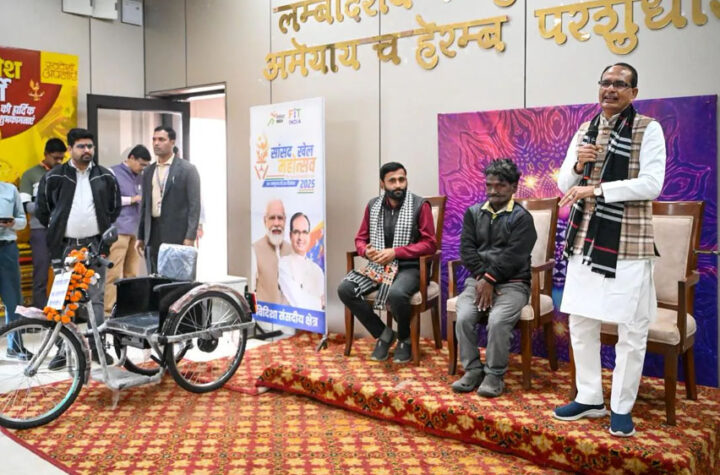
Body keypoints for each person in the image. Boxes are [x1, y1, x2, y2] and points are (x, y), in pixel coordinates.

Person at [552, 63, 666, 437]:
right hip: (586, 238)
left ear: (634, 92)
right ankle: (589, 397)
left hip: (628, 240)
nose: (611, 89)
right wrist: (579, 164)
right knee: (581, 322)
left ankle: (621, 407)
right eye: (606, 82)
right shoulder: (585, 130)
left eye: (620, 84)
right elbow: (565, 183)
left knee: (631, 328)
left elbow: (652, 184)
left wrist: (598, 190)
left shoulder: (648, 129)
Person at [450, 159, 536, 398]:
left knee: (497, 320)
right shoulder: (473, 213)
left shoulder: (522, 218)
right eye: (489, 185)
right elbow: (467, 250)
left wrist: (491, 278)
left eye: (500, 185)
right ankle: (472, 370)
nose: (493, 190)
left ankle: (494, 375)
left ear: (514, 187)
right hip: (478, 281)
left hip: (513, 285)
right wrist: (482, 278)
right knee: (464, 317)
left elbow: (515, 256)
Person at [36, 128, 121, 366]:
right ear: (70, 149)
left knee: (96, 298)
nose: (87, 150)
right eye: (81, 146)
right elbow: (43, 210)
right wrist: (58, 229)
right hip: (65, 247)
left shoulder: (105, 176)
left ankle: (97, 348)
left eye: (90, 146)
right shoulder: (54, 176)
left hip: (95, 246)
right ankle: (64, 350)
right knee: (63, 300)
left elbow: (114, 208)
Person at [337, 162, 436, 363]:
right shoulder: (373, 206)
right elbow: (360, 239)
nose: (398, 185)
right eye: (392, 181)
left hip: (411, 267)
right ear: (382, 184)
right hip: (379, 266)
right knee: (345, 289)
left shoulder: (420, 205)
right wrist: (365, 251)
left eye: (402, 179)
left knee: (397, 294)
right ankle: (384, 333)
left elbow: (430, 244)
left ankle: (405, 338)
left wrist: (396, 252)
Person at [136, 126, 201, 273]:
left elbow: (194, 206)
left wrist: (190, 237)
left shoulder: (187, 169)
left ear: (172, 142)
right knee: (153, 276)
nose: (156, 143)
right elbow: (144, 206)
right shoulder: (148, 171)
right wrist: (140, 236)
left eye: (161, 139)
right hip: (152, 233)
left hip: (177, 234)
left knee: (174, 277)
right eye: (154, 139)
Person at [19, 138, 66, 309]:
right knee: (41, 271)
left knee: (65, 271)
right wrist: (49, 208)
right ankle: (39, 310)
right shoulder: (30, 175)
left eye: (61, 158)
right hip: (40, 229)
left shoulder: (66, 173)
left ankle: (63, 310)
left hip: (63, 229)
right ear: (45, 154)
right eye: (55, 158)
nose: (58, 161)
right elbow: (25, 205)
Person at [104, 145, 151, 313]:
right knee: (114, 273)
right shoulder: (112, 172)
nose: (143, 168)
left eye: (146, 165)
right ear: (131, 158)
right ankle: (109, 311)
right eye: (141, 164)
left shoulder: (142, 177)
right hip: (119, 229)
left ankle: (129, 310)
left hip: (136, 231)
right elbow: (108, 199)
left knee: (132, 273)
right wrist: (132, 199)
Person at [0, 180, 30, 359]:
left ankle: (16, 347)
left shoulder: (10, 190)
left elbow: (22, 221)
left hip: (7, 249)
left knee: (13, 300)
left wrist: (11, 223)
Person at [278, 212, 324, 311]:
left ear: (309, 235)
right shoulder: (282, 265)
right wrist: (320, 302)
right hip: (288, 319)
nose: (300, 238)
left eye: (304, 232)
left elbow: (320, 310)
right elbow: (297, 301)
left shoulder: (317, 270)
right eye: (296, 232)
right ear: (290, 235)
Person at [252, 199, 291, 304]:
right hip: (263, 313)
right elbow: (250, 292)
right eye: (272, 218)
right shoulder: (255, 250)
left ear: (285, 221)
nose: (276, 223)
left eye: (280, 218)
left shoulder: (291, 251)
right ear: (265, 221)